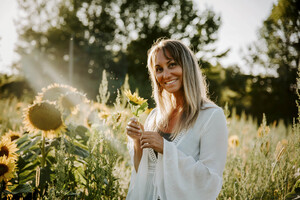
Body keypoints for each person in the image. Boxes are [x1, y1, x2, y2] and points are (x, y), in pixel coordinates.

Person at [125, 38, 228, 200]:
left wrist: (166, 148)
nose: (165, 74)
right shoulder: (154, 116)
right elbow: (143, 174)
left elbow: (210, 181)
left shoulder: (211, 116)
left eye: (172, 64)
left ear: (187, 66)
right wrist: (137, 142)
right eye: (159, 69)